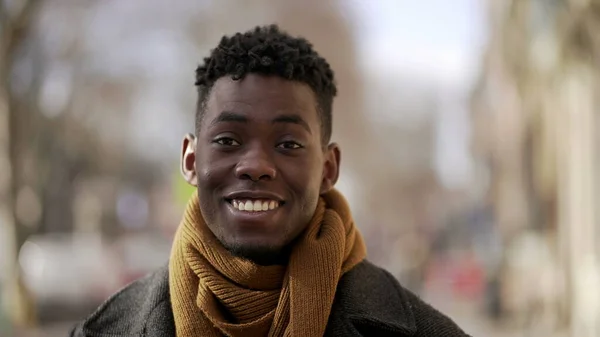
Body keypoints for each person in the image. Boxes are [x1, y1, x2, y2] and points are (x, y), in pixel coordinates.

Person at [71, 25, 470, 337]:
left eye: (288, 143)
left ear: (329, 169)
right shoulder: (100, 331)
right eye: (228, 141)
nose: (257, 165)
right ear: (191, 160)